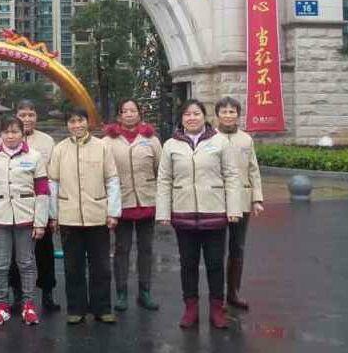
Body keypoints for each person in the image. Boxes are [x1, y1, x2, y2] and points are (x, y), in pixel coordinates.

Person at [155, 99, 242, 330]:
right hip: (183, 214)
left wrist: (234, 209)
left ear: (204, 116)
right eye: (187, 114)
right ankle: (190, 309)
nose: (192, 118)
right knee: (188, 264)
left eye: (196, 113)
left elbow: (232, 176)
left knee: (215, 264)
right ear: (181, 118)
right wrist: (163, 211)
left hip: (214, 212)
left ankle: (217, 309)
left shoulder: (219, 141)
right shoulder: (170, 145)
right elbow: (164, 180)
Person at [48, 107, 121, 325]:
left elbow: (112, 180)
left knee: (101, 266)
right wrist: (54, 215)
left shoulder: (102, 147)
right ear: (67, 125)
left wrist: (113, 212)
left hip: (97, 215)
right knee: (73, 266)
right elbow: (53, 183)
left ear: (87, 122)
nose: (76, 125)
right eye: (72, 121)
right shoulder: (60, 149)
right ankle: (76, 308)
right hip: (69, 216)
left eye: (80, 120)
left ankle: (102, 308)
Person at [0, 115, 49, 327]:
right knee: (0, 265)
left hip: (26, 217)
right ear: (0, 134)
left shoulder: (34, 156)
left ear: (22, 133)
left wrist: (40, 222)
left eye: (15, 131)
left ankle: (28, 305)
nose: (10, 136)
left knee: (26, 263)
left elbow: (42, 191)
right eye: (6, 132)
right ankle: (1, 305)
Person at [103, 98, 162, 312]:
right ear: (119, 115)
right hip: (121, 202)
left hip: (147, 200)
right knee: (122, 249)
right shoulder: (107, 141)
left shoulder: (151, 139)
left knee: (146, 248)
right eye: (124, 111)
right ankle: (121, 292)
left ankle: (145, 291)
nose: (129, 114)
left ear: (139, 113)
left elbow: (161, 170)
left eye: (133, 110)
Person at [9, 99, 60, 311]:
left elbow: (53, 178)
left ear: (36, 117)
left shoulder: (47, 141)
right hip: (15, 206)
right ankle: (17, 294)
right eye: (22, 115)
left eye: (31, 115)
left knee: (45, 252)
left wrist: (53, 214)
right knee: (15, 254)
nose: (27, 119)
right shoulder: (7, 138)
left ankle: (47, 293)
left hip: (41, 204)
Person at [213, 97, 264, 310]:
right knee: (216, 250)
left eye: (232, 111)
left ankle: (233, 292)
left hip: (242, 200)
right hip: (216, 201)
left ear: (238, 114)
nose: (228, 115)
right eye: (224, 111)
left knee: (237, 247)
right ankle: (217, 296)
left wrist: (257, 199)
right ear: (217, 115)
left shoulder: (246, 140)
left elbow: (253, 169)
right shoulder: (210, 138)